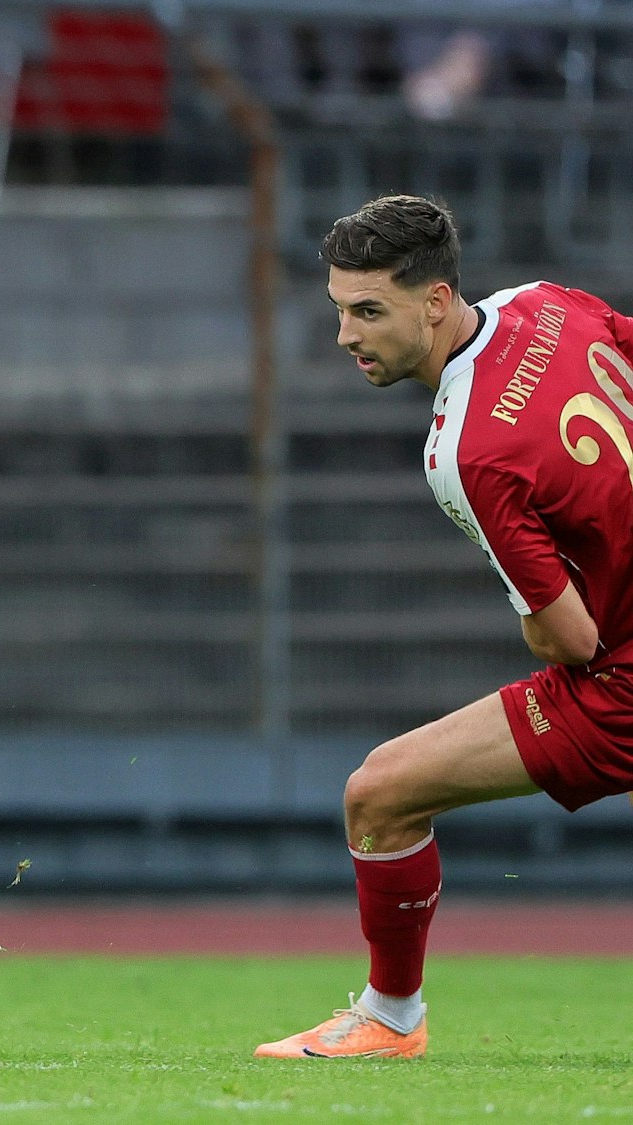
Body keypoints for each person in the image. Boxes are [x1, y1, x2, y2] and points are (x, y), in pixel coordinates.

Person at [259, 194, 633, 1058]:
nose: (347, 334)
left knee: (378, 795)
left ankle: (392, 1017)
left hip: (620, 682)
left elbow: (572, 641)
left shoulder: (467, 450)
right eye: (339, 309)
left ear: (434, 302)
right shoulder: (549, 304)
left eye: (368, 311)